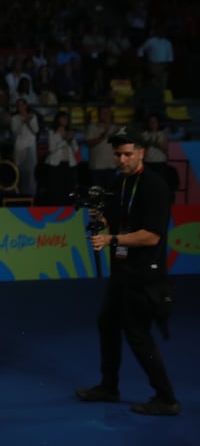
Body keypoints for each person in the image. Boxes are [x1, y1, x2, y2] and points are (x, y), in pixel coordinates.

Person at [77, 124, 180, 416]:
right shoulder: (116, 184)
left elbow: (152, 235)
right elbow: (112, 221)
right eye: (117, 154)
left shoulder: (156, 187)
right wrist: (99, 219)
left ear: (141, 153)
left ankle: (167, 397)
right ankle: (109, 387)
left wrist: (112, 239)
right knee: (107, 324)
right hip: (122, 272)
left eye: (127, 154)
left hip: (145, 275)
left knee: (138, 336)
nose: (121, 160)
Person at [44, 111, 78, 205]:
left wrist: (70, 140)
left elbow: (75, 149)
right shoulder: (52, 132)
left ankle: (68, 209)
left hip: (68, 164)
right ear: (58, 120)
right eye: (63, 118)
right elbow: (52, 148)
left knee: (68, 188)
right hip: (55, 164)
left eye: (66, 118)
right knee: (56, 189)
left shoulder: (70, 132)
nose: (65, 120)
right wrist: (65, 140)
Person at [84, 105, 119, 191]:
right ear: (99, 114)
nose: (105, 115)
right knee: (96, 196)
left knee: (110, 194)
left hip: (111, 167)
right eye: (103, 113)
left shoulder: (115, 128)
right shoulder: (92, 127)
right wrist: (104, 134)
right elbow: (89, 143)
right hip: (96, 168)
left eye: (107, 113)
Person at [9, 99, 39, 197]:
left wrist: (28, 121)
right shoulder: (15, 118)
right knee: (20, 171)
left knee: (31, 172)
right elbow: (15, 131)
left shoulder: (33, 116)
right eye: (19, 105)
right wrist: (23, 121)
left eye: (22, 105)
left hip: (30, 146)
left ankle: (31, 195)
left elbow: (35, 130)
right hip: (20, 147)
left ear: (26, 105)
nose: (21, 107)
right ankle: (20, 195)